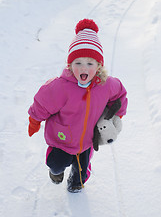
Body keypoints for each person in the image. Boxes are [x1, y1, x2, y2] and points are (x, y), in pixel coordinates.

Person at [28, 19, 128, 193]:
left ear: (98, 66)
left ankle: (76, 183)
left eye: (90, 63)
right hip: (61, 138)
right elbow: (43, 102)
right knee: (56, 163)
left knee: (81, 170)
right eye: (78, 63)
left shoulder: (106, 84)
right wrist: (34, 120)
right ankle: (56, 173)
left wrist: (117, 114)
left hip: (88, 140)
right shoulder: (60, 87)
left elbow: (120, 93)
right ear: (70, 64)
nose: (84, 68)